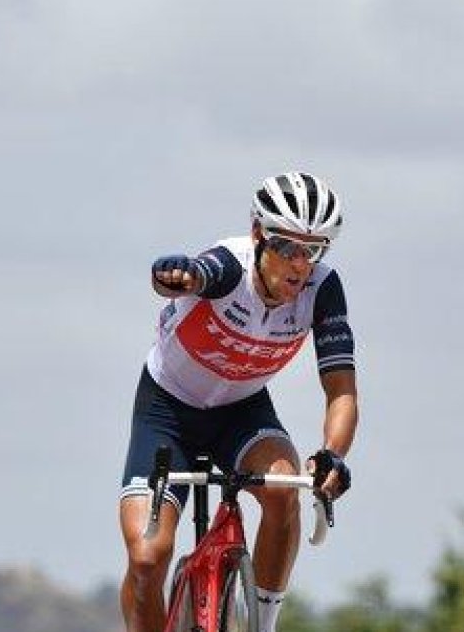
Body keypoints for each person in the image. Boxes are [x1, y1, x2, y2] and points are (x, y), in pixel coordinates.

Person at [118, 172, 358, 632]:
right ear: (258, 235)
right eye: (287, 246)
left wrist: (333, 454)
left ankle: (263, 624)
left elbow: (342, 390)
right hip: (168, 410)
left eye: (313, 250)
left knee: (284, 488)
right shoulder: (231, 266)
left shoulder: (323, 289)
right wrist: (177, 276)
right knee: (147, 558)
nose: (300, 264)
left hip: (242, 411)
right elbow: (197, 273)